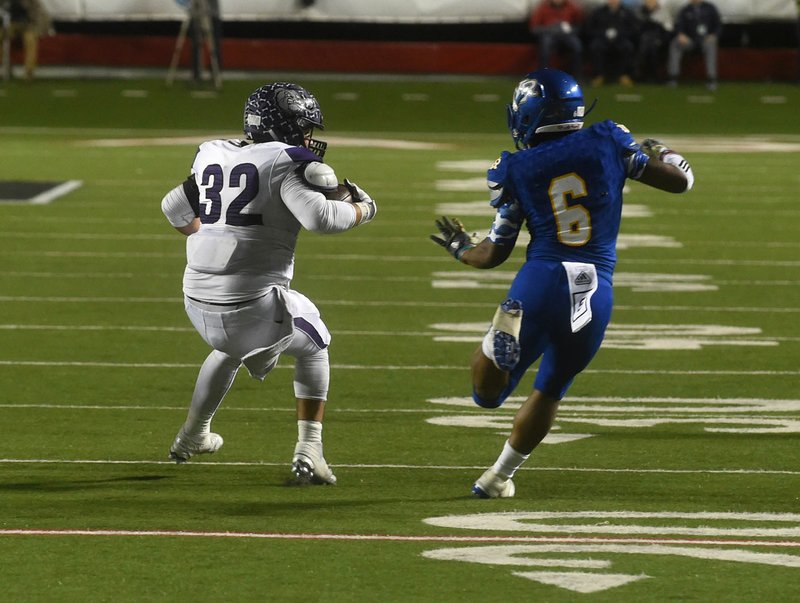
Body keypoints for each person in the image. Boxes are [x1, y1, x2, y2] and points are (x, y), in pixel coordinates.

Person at [430, 68, 694, 498]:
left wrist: (461, 247)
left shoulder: (514, 168)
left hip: (544, 277)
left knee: (487, 396)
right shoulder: (610, 138)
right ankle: (498, 477)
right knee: (552, 389)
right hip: (596, 288)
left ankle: (495, 346)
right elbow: (681, 181)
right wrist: (664, 150)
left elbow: (493, 253)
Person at [160, 82, 377, 485]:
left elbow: (172, 206)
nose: (310, 136)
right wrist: (364, 208)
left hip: (196, 298)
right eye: (305, 127)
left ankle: (192, 435)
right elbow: (322, 219)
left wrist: (209, 237)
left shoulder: (215, 152)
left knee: (229, 349)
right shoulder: (289, 160)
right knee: (316, 344)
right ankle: (310, 447)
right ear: (290, 126)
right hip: (250, 305)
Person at [666, 0, 722, 90]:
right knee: (675, 43)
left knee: (711, 44)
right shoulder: (685, 10)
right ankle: (673, 77)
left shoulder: (710, 8)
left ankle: (711, 79)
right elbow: (679, 26)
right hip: (690, 40)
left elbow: (718, 26)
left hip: (705, 40)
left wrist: (714, 35)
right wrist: (681, 34)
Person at [585, 0, 640, 86]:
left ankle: (623, 75)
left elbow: (634, 29)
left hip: (621, 39)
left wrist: (620, 34)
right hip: (602, 39)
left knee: (628, 47)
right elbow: (589, 28)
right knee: (595, 46)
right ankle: (600, 75)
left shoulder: (627, 12)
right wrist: (603, 33)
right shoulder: (598, 12)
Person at [528, 0, 585, 79]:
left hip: (567, 35)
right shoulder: (543, 8)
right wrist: (550, 29)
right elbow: (534, 28)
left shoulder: (572, 7)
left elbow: (580, 26)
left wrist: (570, 29)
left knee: (576, 45)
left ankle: (577, 76)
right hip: (549, 34)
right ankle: (543, 75)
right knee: (545, 45)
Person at [0, 0, 51, 80]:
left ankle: (28, 72)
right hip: (12, 24)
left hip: (29, 25)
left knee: (30, 39)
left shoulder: (32, 2)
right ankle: (5, 68)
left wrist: (38, 30)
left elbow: (39, 17)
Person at [634, 0, 673, 83]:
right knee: (645, 46)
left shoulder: (664, 12)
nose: (650, 3)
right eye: (648, 1)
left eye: (652, 1)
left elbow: (669, 30)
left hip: (660, 40)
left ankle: (655, 76)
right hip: (643, 41)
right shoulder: (639, 12)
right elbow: (636, 29)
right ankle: (641, 75)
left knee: (653, 48)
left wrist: (661, 40)